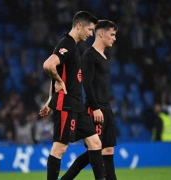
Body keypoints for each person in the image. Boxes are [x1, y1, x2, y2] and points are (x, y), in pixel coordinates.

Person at [39, 11, 105, 180]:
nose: (91, 34)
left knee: (95, 143)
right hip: (66, 105)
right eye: (90, 29)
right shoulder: (67, 44)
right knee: (59, 149)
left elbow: (57, 75)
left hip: (77, 106)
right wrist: (57, 81)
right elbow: (48, 65)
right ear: (79, 25)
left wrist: (48, 101)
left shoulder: (73, 47)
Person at [60, 20, 118, 180]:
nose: (114, 38)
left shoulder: (103, 55)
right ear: (101, 33)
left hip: (106, 108)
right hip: (96, 108)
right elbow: (86, 83)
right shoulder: (89, 55)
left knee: (108, 150)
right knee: (96, 149)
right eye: (112, 34)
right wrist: (95, 107)